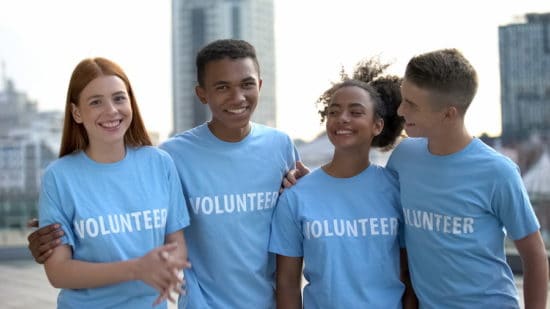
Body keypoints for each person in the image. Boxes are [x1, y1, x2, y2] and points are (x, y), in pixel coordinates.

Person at [27, 39, 301, 308]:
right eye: (222, 87)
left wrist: (312, 186)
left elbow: (299, 210)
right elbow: (106, 205)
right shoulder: (174, 155)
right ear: (201, 93)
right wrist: (57, 231)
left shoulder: (280, 147)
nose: (237, 97)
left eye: (247, 84)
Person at [385, 48, 548, 308]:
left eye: (412, 104)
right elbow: (371, 196)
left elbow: (534, 253)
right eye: (404, 98)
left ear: (448, 114)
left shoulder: (498, 172)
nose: (401, 110)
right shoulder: (404, 157)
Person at [36, 57, 190, 308]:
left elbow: (177, 243)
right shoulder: (59, 177)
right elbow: (58, 272)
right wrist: (135, 269)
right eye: (96, 102)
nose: (111, 110)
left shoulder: (160, 164)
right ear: (76, 113)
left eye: (119, 98)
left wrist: (168, 266)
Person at [269, 59, 416, 308]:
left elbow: (408, 277)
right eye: (334, 112)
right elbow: (287, 284)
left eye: (356, 112)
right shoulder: (296, 197)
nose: (342, 118)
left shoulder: (397, 190)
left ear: (377, 125)